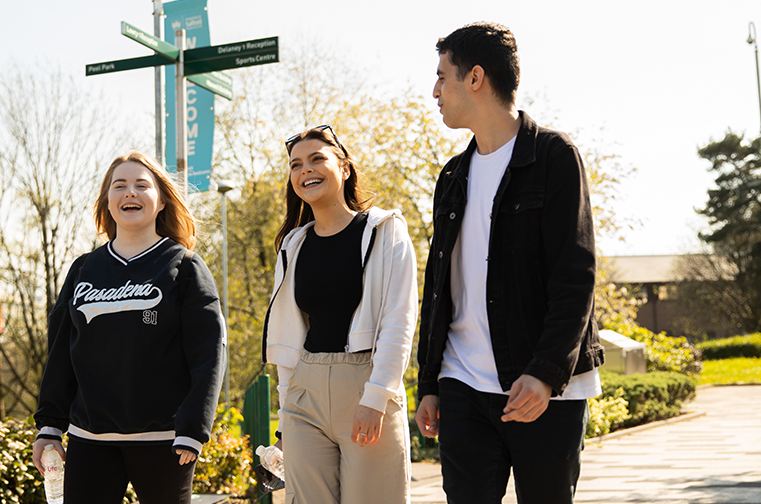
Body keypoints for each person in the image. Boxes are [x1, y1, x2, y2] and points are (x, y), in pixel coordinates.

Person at [415, 23, 606, 504]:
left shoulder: (554, 157)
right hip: (462, 384)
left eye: (443, 77)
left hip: (544, 389)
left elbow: (575, 274)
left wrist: (545, 372)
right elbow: (438, 284)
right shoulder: (453, 176)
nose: (435, 91)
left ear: (475, 77)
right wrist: (430, 382)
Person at [32, 151, 226, 504]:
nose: (130, 193)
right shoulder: (83, 269)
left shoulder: (185, 267)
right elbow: (60, 352)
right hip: (89, 438)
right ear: (107, 201)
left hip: (165, 440)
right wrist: (49, 426)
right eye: (119, 186)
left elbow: (209, 353)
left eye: (142, 185)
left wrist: (194, 427)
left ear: (162, 199)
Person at [262, 125, 417, 503]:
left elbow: (399, 321)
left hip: (365, 383)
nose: (305, 170)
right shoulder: (293, 245)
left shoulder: (384, 230)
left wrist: (376, 396)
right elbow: (289, 336)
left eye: (317, 159)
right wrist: (285, 414)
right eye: (296, 164)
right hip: (304, 392)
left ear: (344, 168)